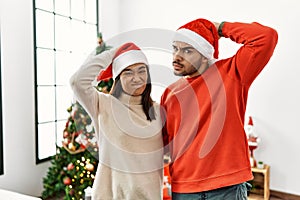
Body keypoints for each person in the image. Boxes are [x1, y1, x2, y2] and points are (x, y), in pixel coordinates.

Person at [160, 18, 278, 199]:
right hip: (184, 188)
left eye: (187, 50)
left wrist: (219, 28)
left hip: (226, 187)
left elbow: (266, 37)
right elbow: (163, 143)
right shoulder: (169, 93)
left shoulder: (232, 73)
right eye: (175, 48)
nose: (177, 56)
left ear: (205, 54)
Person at [70, 42, 164, 200]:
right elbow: (77, 81)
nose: (137, 78)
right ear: (118, 78)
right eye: (128, 72)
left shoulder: (158, 110)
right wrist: (115, 53)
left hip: (150, 196)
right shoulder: (103, 104)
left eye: (142, 71)